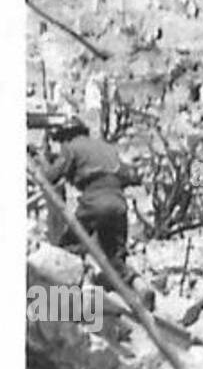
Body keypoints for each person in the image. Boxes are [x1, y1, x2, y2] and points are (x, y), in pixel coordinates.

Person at [44, 119, 142, 290]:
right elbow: (127, 175)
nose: (61, 145)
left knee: (69, 244)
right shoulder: (107, 147)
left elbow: (52, 176)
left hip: (95, 199)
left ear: (68, 136)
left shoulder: (72, 147)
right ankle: (139, 285)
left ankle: (72, 290)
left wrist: (41, 162)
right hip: (118, 199)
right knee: (113, 257)